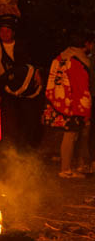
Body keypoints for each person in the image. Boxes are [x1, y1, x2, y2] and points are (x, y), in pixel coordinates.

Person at [43, 31, 92, 178]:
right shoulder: (78, 61)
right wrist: (85, 109)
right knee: (70, 135)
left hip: (59, 101)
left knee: (69, 135)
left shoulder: (61, 57)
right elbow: (81, 87)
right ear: (86, 44)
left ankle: (71, 166)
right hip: (73, 104)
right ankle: (66, 169)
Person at [0, 16, 42, 148]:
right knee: (8, 121)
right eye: (1, 31)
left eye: (7, 31)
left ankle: (26, 147)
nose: (4, 34)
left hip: (20, 88)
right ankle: (9, 148)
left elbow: (27, 65)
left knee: (25, 119)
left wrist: (37, 71)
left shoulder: (21, 46)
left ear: (13, 32)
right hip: (2, 89)